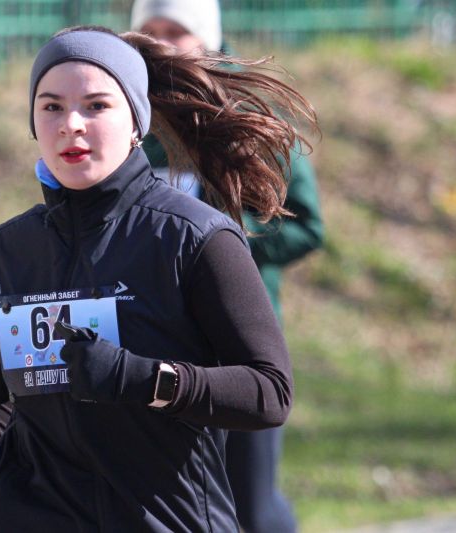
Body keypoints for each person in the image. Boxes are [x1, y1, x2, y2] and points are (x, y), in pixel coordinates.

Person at [0, 25, 317, 532]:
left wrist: (140, 379)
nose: (71, 124)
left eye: (96, 106)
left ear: (136, 121)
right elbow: (24, 381)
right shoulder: (11, 251)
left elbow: (269, 392)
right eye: (51, 107)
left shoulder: (194, 238)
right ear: (32, 123)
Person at [131, 2, 325, 532]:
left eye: (176, 31)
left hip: (237, 345)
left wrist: (219, 249)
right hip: (155, 343)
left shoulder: (252, 112)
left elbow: (305, 225)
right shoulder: (126, 110)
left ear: (208, 38)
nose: (161, 43)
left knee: (251, 509)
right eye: (149, 29)